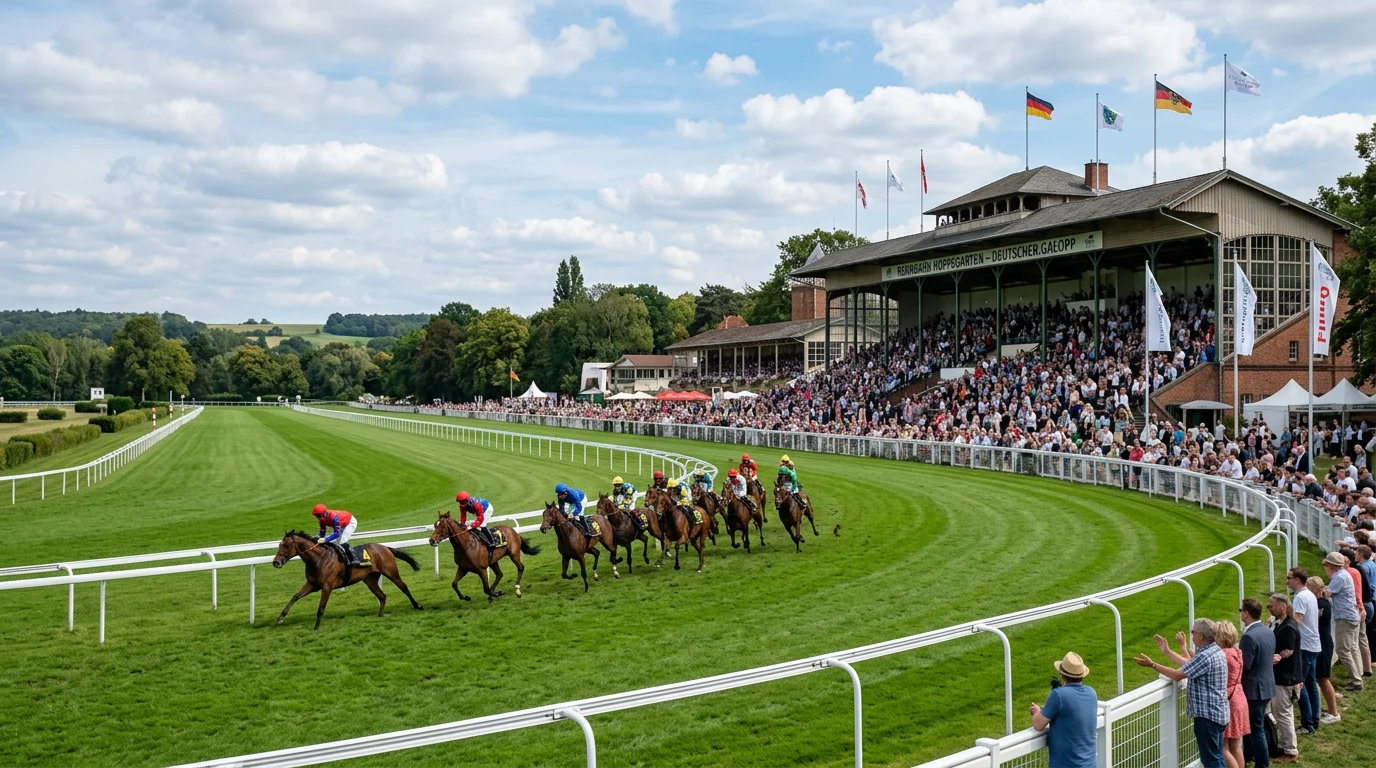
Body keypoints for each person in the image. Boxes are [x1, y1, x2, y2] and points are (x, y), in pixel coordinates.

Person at [1135, 619, 1230, 768]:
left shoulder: (1206, 656)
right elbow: (1189, 666)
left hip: (1208, 717)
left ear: (1201, 636)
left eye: (1193, 632)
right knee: (1216, 756)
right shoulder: (1214, 650)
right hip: (1217, 714)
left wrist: (1152, 664)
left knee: (1211, 760)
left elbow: (1177, 675)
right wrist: (1167, 651)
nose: (1191, 635)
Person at [1029, 652, 1097, 768]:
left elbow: (1038, 725)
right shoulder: (1092, 693)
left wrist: (1036, 712)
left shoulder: (1058, 695)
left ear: (1062, 675)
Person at [1238, 598, 1275, 768]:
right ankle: (1250, 757)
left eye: (1241, 611)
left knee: (1256, 728)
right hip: (1266, 686)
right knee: (1255, 727)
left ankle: (1262, 764)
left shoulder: (1249, 636)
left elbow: (1244, 665)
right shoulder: (1267, 631)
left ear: (1246, 613)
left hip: (1254, 690)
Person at [1287, 568, 1322, 734]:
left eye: (1289, 578)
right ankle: (1314, 720)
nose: (1287, 581)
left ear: (1298, 580)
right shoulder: (1309, 594)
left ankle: (1308, 723)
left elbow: (1297, 621)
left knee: (1301, 685)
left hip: (1305, 646)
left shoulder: (1301, 597)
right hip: (1314, 644)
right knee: (1311, 684)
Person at [1324, 550, 1365, 690]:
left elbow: (1328, 593)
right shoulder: (1344, 574)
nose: (1325, 569)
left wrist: (1316, 589)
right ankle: (1358, 674)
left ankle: (1356, 681)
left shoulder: (1339, 577)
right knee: (1353, 648)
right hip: (1352, 615)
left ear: (1331, 566)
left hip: (1345, 617)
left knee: (1342, 650)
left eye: (1326, 566)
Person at [1268, 593, 1301, 763]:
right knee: (1281, 712)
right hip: (1285, 677)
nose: (1269, 608)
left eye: (1271, 605)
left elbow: (1289, 650)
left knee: (1282, 713)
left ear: (1283, 607)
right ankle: (1284, 745)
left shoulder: (1288, 627)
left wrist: (1276, 657)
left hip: (1285, 678)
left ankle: (1290, 751)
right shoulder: (1280, 624)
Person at [1214, 620, 1250, 768]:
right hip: (1240, 697)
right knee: (1236, 746)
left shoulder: (1223, 655)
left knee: (1223, 748)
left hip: (1229, 700)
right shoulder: (1237, 652)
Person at [1308, 575, 1341, 723]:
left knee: (1323, 678)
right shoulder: (1319, 602)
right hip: (1320, 643)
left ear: (1314, 589)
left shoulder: (1322, 604)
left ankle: (1334, 713)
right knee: (1319, 678)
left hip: (1323, 644)